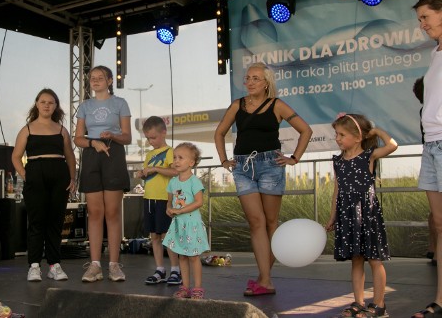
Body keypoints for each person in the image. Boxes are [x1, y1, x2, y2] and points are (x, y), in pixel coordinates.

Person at [214, 61, 312, 296]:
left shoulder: (276, 105)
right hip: (242, 167)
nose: (249, 82)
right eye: (247, 78)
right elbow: (219, 132)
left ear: (267, 82)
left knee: (270, 222)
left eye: (255, 78)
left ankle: (264, 278)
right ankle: (265, 280)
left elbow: (305, 130)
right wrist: (224, 160)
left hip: (270, 165)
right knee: (255, 222)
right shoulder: (237, 105)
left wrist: (294, 158)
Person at [325, 113, 397, 318]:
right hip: (348, 214)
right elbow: (337, 191)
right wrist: (333, 217)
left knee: (374, 259)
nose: (337, 138)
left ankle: (379, 304)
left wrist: (375, 131)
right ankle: (358, 302)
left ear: (358, 137)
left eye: (342, 135)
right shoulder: (338, 161)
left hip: (368, 214)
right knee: (356, 260)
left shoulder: (369, 156)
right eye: (336, 134)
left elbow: (392, 145)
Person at [11, 88, 77, 282]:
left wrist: (73, 179)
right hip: (35, 174)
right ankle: (34, 266)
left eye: (51, 102)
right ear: (37, 104)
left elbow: (70, 156)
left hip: (59, 174)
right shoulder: (27, 129)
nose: (47, 105)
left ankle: (54, 265)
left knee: (55, 222)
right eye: (43, 102)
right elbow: (15, 156)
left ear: (56, 106)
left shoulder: (61, 130)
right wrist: (25, 175)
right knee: (37, 222)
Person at [74, 65, 131, 282]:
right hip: (92, 153)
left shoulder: (120, 103)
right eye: (92, 78)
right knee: (95, 212)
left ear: (109, 80)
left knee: (113, 212)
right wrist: (93, 142)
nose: (95, 81)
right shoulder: (85, 106)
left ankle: (114, 265)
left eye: (100, 77)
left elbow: (128, 137)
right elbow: (77, 138)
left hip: (113, 153)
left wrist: (113, 136)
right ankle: (95, 265)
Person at [412, 0, 442, 318]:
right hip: (432, 144)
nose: (422, 24)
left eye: (425, 17)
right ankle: (441, 298)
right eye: (419, 19)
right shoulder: (436, 54)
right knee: (439, 223)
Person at [135, 116, 181, 285]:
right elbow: (149, 175)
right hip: (149, 198)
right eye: (148, 138)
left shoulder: (170, 152)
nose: (151, 141)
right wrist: (142, 173)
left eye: (153, 137)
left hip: (164, 198)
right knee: (154, 235)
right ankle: (160, 269)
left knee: (167, 235)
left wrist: (154, 168)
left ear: (164, 132)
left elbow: (174, 172)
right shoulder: (149, 154)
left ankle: (176, 270)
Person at [162, 142, 209, 299]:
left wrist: (180, 210)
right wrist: (169, 208)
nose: (176, 161)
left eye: (180, 157)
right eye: (175, 157)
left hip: (191, 224)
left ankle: (197, 287)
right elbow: (169, 200)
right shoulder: (173, 182)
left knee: (193, 256)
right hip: (179, 224)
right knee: (181, 255)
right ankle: (185, 287)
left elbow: (198, 202)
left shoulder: (194, 181)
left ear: (191, 162)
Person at [414, 76, 437, 266]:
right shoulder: (429, 112)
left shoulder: (426, 111)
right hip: (434, 155)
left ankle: (433, 248)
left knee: (435, 212)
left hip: (431, 155)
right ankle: (434, 250)